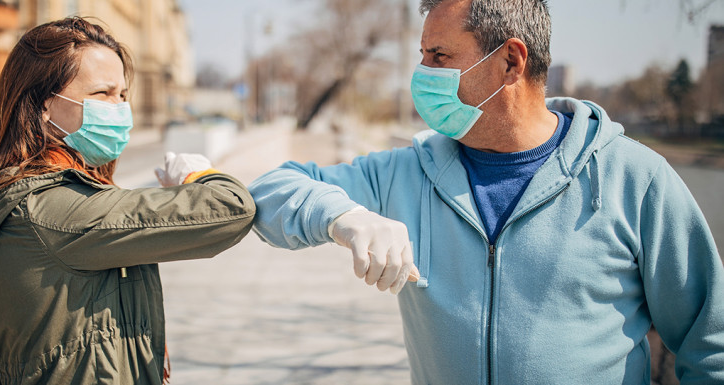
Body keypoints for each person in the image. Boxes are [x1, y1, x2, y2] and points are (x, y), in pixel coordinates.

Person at [248, 0, 724, 383]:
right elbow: (269, 192)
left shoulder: (636, 179)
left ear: (511, 62)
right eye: (422, 55)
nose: (421, 73)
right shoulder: (405, 172)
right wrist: (342, 216)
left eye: (439, 56)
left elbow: (711, 345)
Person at [0, 17, 255, 385]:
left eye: (122, 95)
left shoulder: (26, 193)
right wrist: (196, 177)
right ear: (42, 105)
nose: (119, 108)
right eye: (102, 94)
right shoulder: (50, 209)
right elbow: (231, 208)